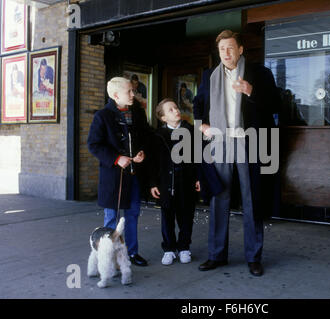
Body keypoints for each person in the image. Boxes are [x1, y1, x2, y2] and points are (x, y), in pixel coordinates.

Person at [193, 30, 280, 276]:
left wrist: (251, 91)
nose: (226, 53)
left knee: (252, 200)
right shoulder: (209, 75)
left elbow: (276, 103)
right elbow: (199, 104)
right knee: (219, 198)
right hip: (220, 142)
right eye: (222, 49)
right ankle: (216, 255)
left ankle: (254, 258)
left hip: (248, 143)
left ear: (241, 49)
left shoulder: (260, 74)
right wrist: (202, 124)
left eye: (231, 47)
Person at [87, 77, 153, 267]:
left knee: (132, 215)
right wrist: (116, 158)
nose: (134, 94)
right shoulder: (103, 116)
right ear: (116, 95)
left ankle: (132, 253)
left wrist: (142, 152)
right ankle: (108, 257)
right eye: (129, 92)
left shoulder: (138, 113)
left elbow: (146, 136)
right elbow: (94, 144)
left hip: (134, 175)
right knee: (112, 218)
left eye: (133, 91)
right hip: (113, 177)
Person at [149, 98, 201, 266]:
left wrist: (199, 177)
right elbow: (153, 162)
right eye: (170, 110)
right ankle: (169, 249)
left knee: (186, 216)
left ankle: (184, 247)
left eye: (176, 108)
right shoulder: (157, 136)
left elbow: (199, 157)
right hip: (166, 183)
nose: (176, 111)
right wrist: (153, 183)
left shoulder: (191, 131)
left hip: (186, 181)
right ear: (163, 118)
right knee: (167, 217)